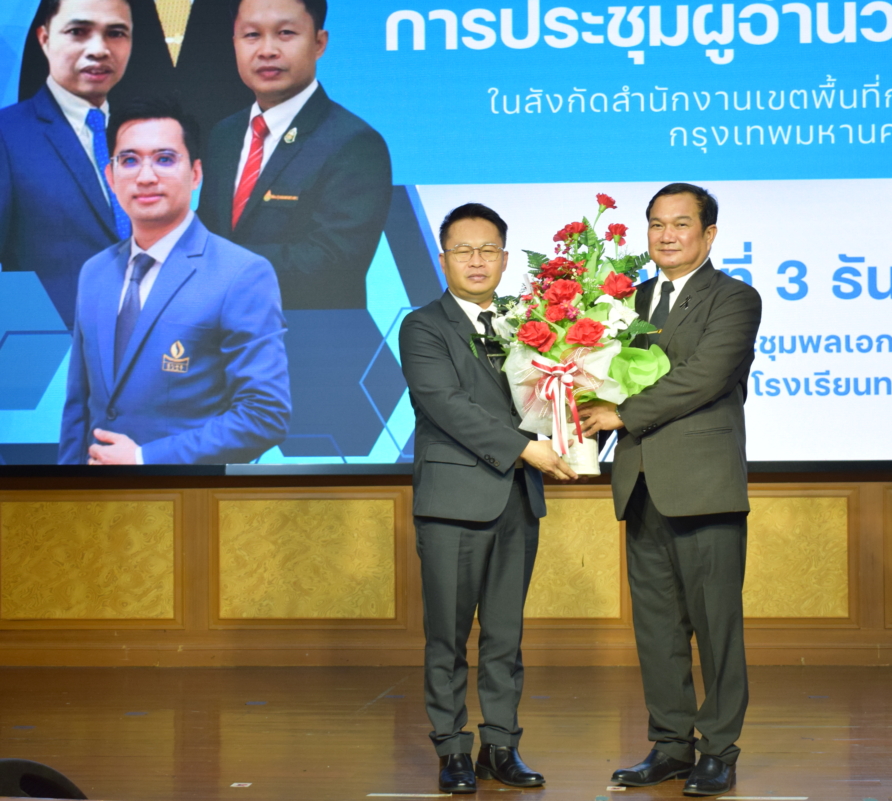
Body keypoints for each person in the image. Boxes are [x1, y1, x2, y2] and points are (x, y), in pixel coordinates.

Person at [579, 183, 762, 797]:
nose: (666, 235)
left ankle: (719, 749)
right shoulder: (623, 300)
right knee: (657, 627)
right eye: (656, 224)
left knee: (716, 625)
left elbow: (705, 376)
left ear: (709, 234)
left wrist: (622, 414)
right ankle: (670, 745)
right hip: (640, 483)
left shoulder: (734, 298)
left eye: (681, 224)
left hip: (704, 484)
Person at [399, 203, 577, 794]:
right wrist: (527, 449)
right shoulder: (423, 326)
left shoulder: (529, 322)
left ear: (504, 257)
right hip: (453, 504)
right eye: (464, 250)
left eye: (488, 250)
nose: (477, 261)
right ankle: (452, 749)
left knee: (506, 636)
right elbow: (446, 405)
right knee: (447, 638)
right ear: (443, 258)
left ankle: (500, 746)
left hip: (517, 502)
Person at [58, 96, 290, 465]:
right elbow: (78, 408)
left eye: (165, 159)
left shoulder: (241, 274)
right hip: (96, 497)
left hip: (186, 495)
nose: (145, 176)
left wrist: (144, 459)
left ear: (196, 173)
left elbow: (263, 416)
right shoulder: (95, 272)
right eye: (129, 160)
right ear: (110, 176)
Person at [196, 0, 392, 310]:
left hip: (310, 335)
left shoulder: (355, 143)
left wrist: (216, 264)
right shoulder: (224, 134)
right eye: (252, 35)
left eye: (285, 33)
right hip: (221, 333)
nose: (267, 50)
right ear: (234, 43)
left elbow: (335, 261)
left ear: (319, 43)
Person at [0, 0, 134, 328]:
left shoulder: (140, 134)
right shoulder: (7, 134)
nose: (99, 49)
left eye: (116, 33)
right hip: (53, 347)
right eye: (78, 32)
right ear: (45, 38)